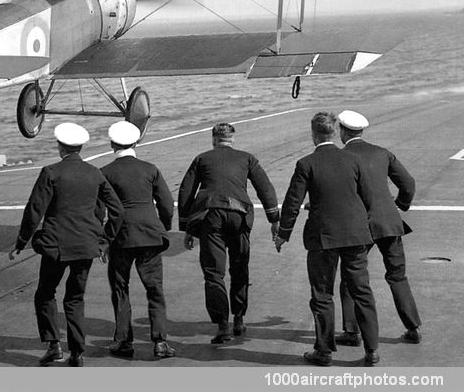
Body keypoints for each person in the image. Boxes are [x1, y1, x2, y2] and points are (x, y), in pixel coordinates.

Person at [9, 122, 124, 367]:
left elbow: (34, 211)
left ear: (61, 147)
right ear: (80, 148)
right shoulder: (95, 173)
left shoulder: (50, 172)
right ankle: (77, 353)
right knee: (74, 298)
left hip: (55, 246)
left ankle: (54, 346)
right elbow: (117, 210)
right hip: (86, 246)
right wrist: (104, 242)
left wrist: (21, 241)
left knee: (45, 294)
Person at [275, 112, 379, 366]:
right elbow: (368, 198)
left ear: (313, 134)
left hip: (323, 238)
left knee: (322, 294)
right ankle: (372, 350)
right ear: (334, 132)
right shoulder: (353, 160)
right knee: (361, 290)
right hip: (355, 236)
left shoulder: (306, 163)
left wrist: (283, 234)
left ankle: (323, 351)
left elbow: (292, 203)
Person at [178, 122, 279, 344]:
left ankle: (223, 325)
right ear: (232, 139)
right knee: (239, 267)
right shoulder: (247, 158)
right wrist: (274, 219)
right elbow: (265, 188)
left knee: (214, 273)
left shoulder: (202, 158)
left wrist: (186, 227)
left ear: (213, 139)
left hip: (211, 215)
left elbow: (186, 191)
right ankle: (239, 318)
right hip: (239, 215)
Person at [335, 110, 421, 346]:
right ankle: (412, 326)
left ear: (342, 131)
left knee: (351, 278)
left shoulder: (342, 157)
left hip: (359, 226)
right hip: (390, 223)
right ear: (362, 131)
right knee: (397, 276)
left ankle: (352, 332)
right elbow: (408, 183)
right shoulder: (382, 153)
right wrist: (402, 204)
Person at [100, 121, 176, 359]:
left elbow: (98, 209)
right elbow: (166, 204)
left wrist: (102, 240)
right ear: (136, 142)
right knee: (154, 288)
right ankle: (160, 341)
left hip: (120, 238)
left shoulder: (105, 172)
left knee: (120, 288)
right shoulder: (150, 169)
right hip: (149, 235)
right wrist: (162, 227)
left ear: (113, 144)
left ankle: (123, 340)